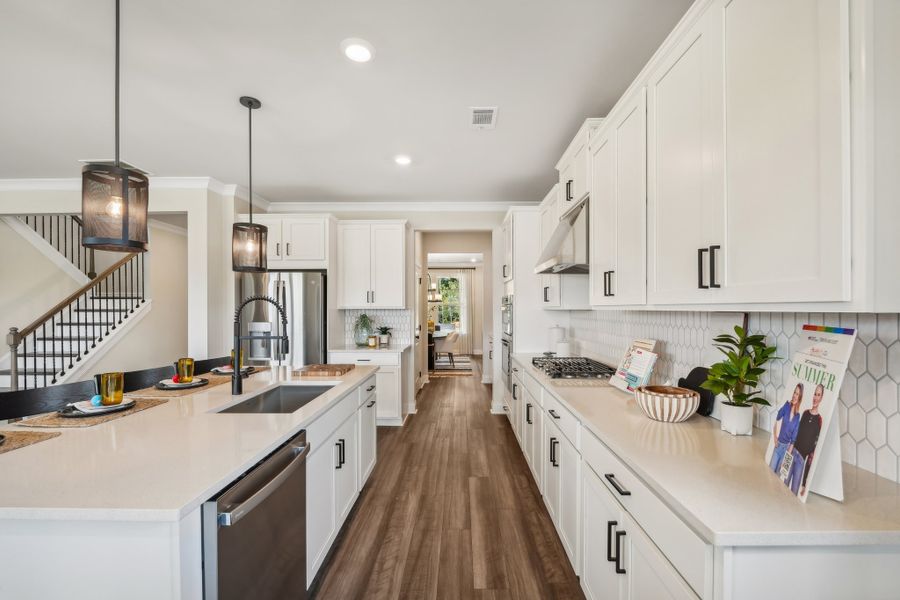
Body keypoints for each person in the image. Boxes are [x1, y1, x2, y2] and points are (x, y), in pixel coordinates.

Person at [787, 383, 825, 496]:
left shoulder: (819, 420)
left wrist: (804, 483)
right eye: (815, 394)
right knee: (783, 484)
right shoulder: (804, 413)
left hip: (801, 461)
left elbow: (812, 454)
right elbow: (795, 436)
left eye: (818, 395)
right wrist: (787, 457)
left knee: (793, 494)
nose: (815, 397)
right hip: (792, 453)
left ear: (821, 398)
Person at [769, 383, 803, 474]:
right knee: (770, 472)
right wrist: (775, 438)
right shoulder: (786, 406)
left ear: (800, 398)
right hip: (778, 445)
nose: (795, 396)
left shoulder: (797, 416)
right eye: (795, 393)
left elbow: (793, 440)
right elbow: (777, 418)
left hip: (787, 449)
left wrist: (787, 458)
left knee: (779, 476)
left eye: (798, 394)